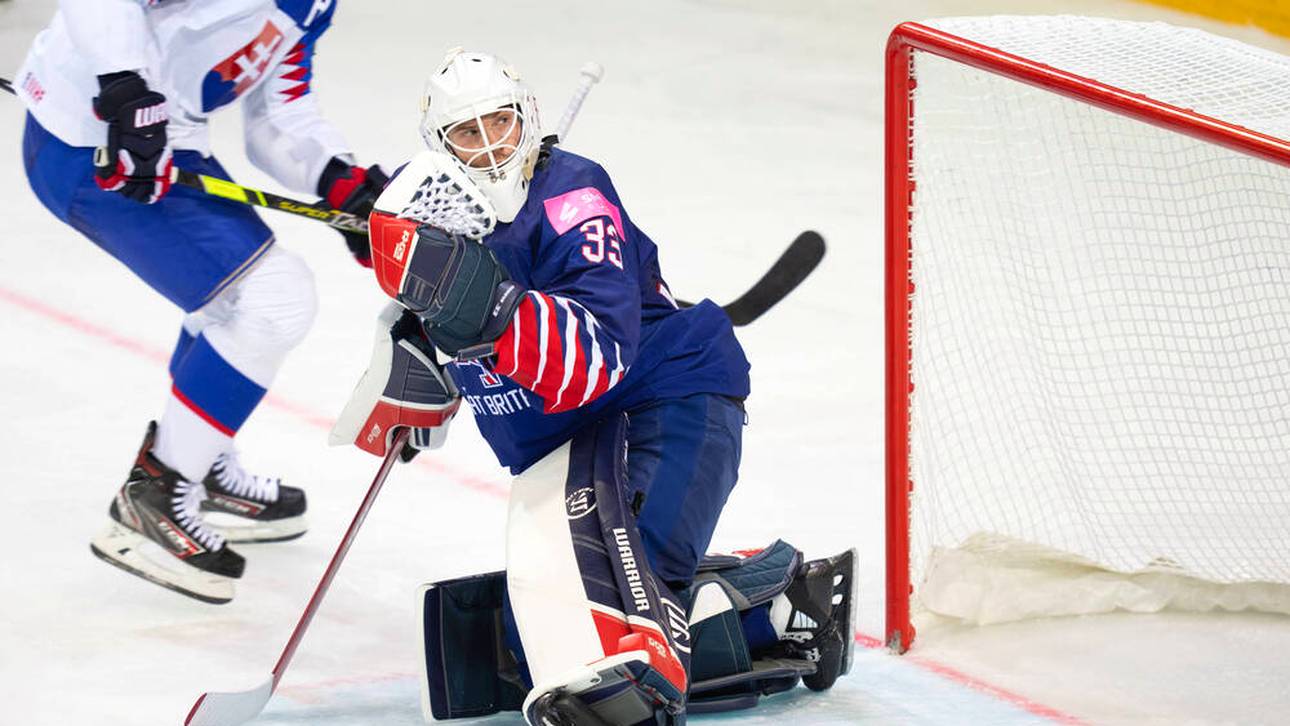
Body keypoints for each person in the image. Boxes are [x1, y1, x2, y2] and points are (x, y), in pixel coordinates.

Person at [332, 49, 856, 724]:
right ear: (439, 144)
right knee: (541, 648)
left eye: (501, 122)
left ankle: (763, 616)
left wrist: (482, 300)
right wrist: (416, 359)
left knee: (620, 624)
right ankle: (772, 605)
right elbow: (439, 349)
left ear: (528, 119)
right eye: (467, 132)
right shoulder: (438, 229)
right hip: (567, 452)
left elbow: (596, 359)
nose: (490, 145)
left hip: (668, 403)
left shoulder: (575, 201)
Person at [14, 0, 388, 605]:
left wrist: (340, 182)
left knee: (238, 298)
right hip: (90, 143)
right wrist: (123, 85)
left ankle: (200, 457)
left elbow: (279, 113)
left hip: (164, 140)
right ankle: (155, 500)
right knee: (273, 298)